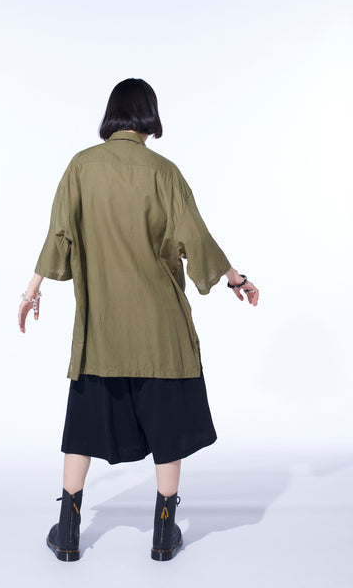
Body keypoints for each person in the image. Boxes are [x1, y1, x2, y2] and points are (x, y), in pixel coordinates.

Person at [18, 77, 259, 563]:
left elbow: (59, 234)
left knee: (82, 425)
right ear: (148, 116)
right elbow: (197, 239)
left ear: (112, 115)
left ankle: (69, 531)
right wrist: (236, 279)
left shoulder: (81, 167)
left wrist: (32, 290)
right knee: (167, 427)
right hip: (160, 332)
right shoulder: (164, 172)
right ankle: (164, 533)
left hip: (102, 333)